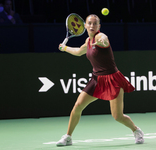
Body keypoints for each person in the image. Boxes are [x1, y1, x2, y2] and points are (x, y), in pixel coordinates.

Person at [57, 14, 144, 146]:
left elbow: (104, 39)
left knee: (117, 116)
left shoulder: (100, 37)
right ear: (85, 25)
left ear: (99, 26)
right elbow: (79, 51)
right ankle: (68, 137)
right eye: (89, 23)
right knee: (77, 106)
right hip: (96, 80)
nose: (92, 26)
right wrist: (65, 48)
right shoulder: (88, 41)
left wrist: (102, 40)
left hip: (112, 79)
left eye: (95, 23)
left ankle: (136, 130)